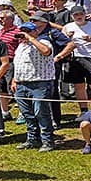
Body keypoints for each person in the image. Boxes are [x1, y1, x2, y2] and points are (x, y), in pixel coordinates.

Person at [11, 21, 57, 152]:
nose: (24, 34)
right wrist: (14, 80)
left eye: (28, 30)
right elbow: (18, 64)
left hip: (40, 83)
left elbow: (46, 51)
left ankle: (48, 140)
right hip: (21, 83)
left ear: (36, 31)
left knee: (41, 112)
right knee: (27, 113)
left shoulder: (44, 42)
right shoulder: (20, 46)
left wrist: (31, 39)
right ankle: (32, 138)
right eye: (22, 31)